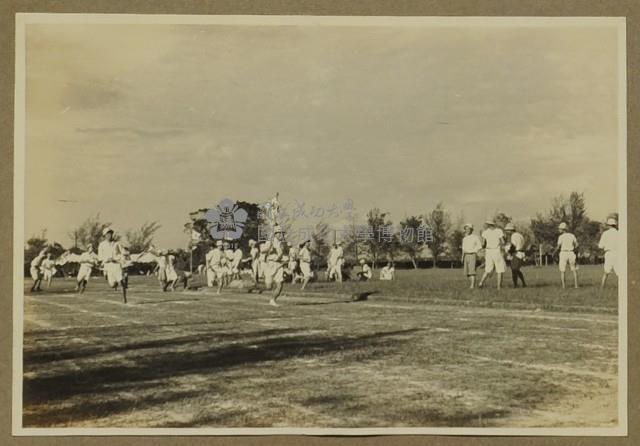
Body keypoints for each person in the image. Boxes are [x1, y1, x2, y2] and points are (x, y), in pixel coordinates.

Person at [97, 227, 128, 303]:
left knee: (121, 281)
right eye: (107, 234)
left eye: (110, 233)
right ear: (104, 235)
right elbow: (100, 257)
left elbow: (123, 252)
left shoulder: (117, 243)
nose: (109, 235)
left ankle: (124, 298)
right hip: (108, 266)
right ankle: (115, 284)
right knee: (112, 285)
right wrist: (106, 260)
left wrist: (122, 257)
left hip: (117, 265)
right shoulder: (102, 245)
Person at [259, 226, 286, 306]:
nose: (281, 235)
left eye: (282, 233)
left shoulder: (282, 244)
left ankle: (273, 300)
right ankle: (259, 288)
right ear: (275, 234)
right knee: (268, 287)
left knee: (280, 284)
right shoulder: (270, 241)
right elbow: (262, 250)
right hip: (270, 264)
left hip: (279, 264)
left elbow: (281, 254)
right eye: (279, 233)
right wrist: (269, 247)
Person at [478, 219, 506, 290]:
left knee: (488, 269)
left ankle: (481, 282)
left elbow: (483, 244)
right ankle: (499, 286)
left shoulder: (485, 232)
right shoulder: (499, 231)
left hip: (488, 251)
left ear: (488, 225)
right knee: (500, 269)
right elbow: (503, 241)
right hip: (496, 251)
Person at [553, 222, 579, 289]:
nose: (559, 230)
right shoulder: (572, 235)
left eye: (560, 229)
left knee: (562, 270)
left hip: (563, 253)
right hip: (571, 253)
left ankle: (564, 286)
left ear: (563, 229)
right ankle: (576, 285)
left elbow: (558, 246)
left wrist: (554, 252)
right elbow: (576, 245)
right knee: (574, 270)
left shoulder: (561, 237)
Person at [504, 223, 527, 288]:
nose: (507, 232)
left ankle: (515, 285)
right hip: (521, 253)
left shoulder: (513, 236)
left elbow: (513, 246)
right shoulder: (520, 235)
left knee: (514, 270)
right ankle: (523, 283)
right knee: (517, 270)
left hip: (516, 254)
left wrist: (509, 252)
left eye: (507, 230)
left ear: (510, 230)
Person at [598, 217, 619, 289]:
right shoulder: (619, 233)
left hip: (608, 253)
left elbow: (600, 246)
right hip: (618, 253)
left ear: (609, 225)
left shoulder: (605, 233)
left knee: (606, 272)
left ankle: (602, 288)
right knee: (620, 273)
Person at [460, 223, 482, 289]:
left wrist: (474, 251)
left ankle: (472, 286)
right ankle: (472, 285)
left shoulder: (475, 237)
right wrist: (462, 257)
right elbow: (463, 249)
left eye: (468, 229)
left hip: (472, 255)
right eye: (466, 229)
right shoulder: (464, 239)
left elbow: (479, 247)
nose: (467, 230)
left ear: (471, 230)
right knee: (467, 273)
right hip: (466, 256)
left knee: (472, 272)